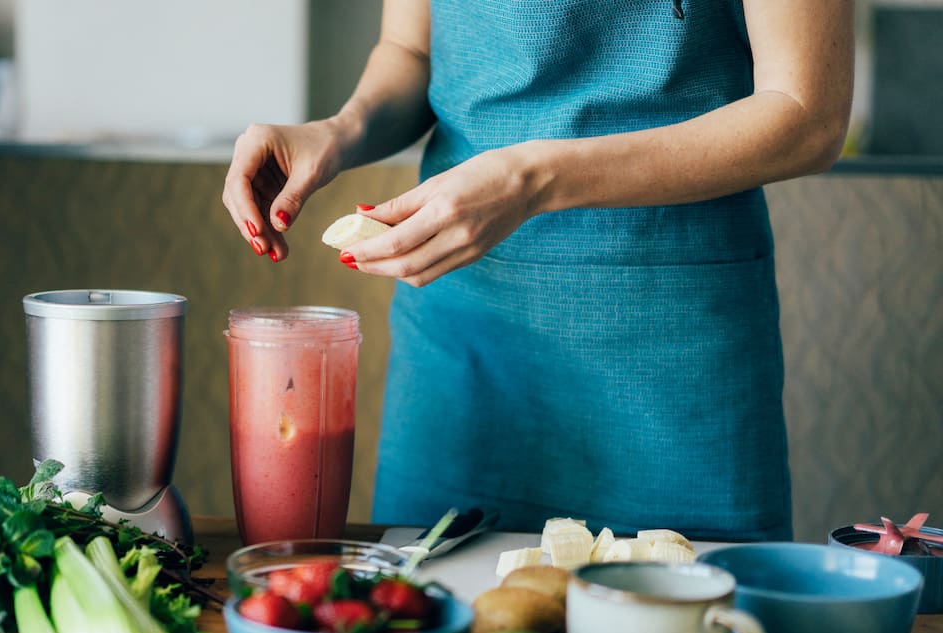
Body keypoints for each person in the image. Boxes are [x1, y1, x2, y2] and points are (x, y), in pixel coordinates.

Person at [221, 0, 854, 540]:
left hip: (672, 337)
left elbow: (807, 115)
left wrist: (533, 178)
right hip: (465, 332)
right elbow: (411, 51)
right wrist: (338, 130)